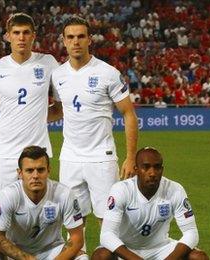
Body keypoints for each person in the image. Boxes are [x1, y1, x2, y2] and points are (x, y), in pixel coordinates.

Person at [50, 16, 138, 246]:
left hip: (101, 158)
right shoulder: (57, 75)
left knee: (107, 221)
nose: (76, 41)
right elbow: (59, 110)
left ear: (90, 39)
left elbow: (128, 114)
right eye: (70, 37)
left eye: (81, 36)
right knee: (73, 223)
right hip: (70, 157)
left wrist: (130, 157)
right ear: (64, 41)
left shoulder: (107, 72)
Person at [0, 13, 62, 210]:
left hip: (37, 152)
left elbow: (62, 107)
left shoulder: (48, 63)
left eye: (26, 32)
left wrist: (38, 116)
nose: (21, 37)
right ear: (8, 36)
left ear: (33, 35)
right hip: (4, 153)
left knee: (38, 212)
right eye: (16, 33)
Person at [93, 147, 209, 260]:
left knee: (199, 257)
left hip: (160, 249)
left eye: (157, 167)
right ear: (136, 169)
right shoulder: (121, 190)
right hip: (127, 248)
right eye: (146, 167)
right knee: (101, 256)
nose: (152, 173)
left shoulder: (175, 190)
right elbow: (107, 235)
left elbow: (191, 233)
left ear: (162, 170)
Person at [0, 146, 86, 260]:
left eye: (40, 170)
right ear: (20, 173)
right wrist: (27, 258)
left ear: (48, 171)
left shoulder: (64, 194)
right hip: (16, 251)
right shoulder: (8, 195)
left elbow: (77, 238)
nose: (35, 176)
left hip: (51, 250)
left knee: (82, 257)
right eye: (29, 170)